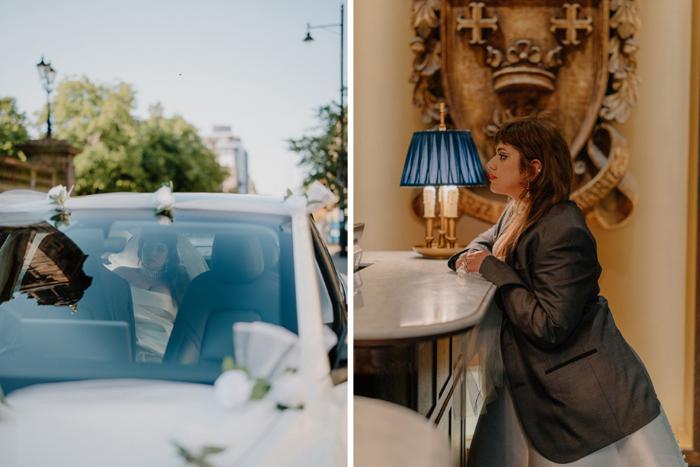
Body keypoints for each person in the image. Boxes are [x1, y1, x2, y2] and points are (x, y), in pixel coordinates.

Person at [449, 116, 686, 466]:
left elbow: (550, 326)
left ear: (532, 170)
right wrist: (475, 258)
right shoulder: (520, 209)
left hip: (581, 393)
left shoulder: (563, 230)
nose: (490, 164)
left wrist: (489, 266)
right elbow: (484, 245)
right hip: (531, 378)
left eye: (502, 155)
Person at [114, 231, 189, 363]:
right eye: (148, 247)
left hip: (162, 343)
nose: (152, 253)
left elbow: (185, 321)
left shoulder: (177, 283)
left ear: (168, 257)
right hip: (124, 337)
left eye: (159, 249)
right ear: (140, 250)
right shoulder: (122, 273)